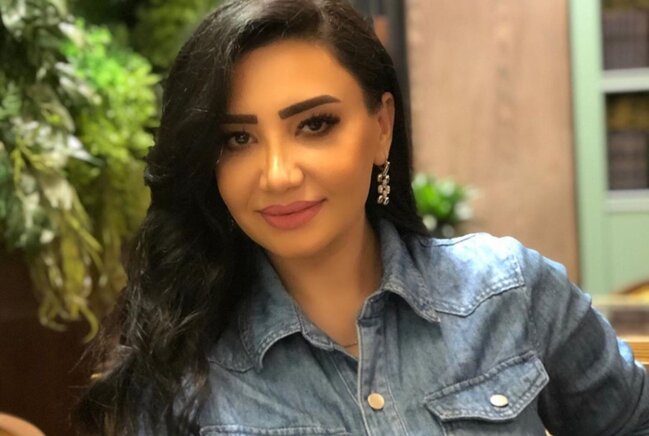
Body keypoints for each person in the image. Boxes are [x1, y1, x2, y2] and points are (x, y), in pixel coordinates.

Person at [76, 0, 649, 434]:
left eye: (315, 125)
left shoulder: (509, 292)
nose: (278, 174)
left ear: (381, 126)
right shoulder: (178, 370)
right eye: (237, 139)